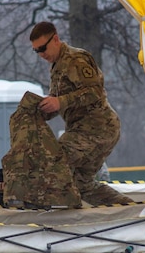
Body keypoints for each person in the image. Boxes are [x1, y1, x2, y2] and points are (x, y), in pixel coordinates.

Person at [28, 21, 133, 206]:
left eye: (43, 48)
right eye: (36, 51)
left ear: (56, 39)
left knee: (54, 159)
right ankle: (130, 210)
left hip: (97, 128)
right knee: (80, 185)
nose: (41, 54)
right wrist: (41, 109)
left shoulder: (76, 59)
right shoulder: (57, 66)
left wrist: (59, 102)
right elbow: (61, 100)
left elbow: (95, 92)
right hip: (84, 130)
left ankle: (48, 215)